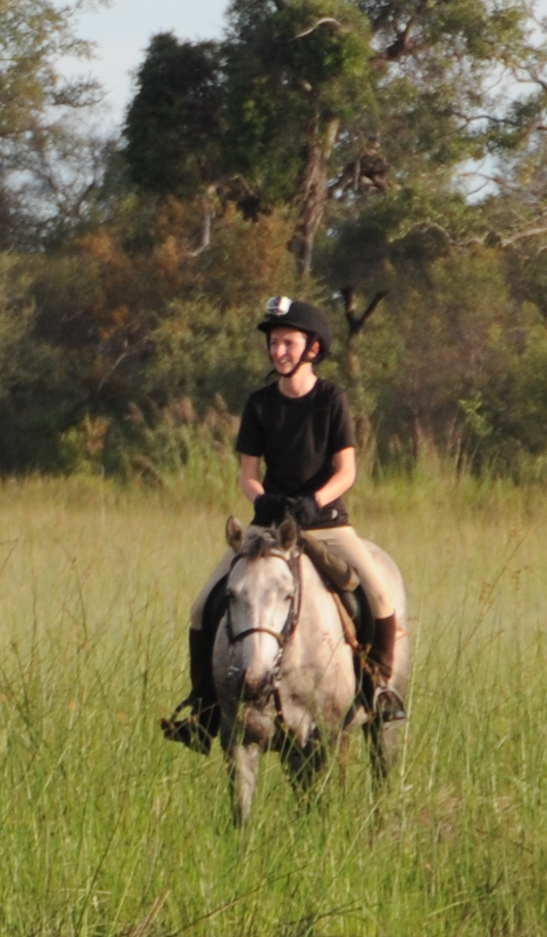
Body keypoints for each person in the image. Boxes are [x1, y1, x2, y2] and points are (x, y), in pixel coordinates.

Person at [166, 294, 409, 742]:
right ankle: (203, 710)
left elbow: (347, 471)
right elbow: (247, 475)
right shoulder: (259, 404)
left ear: (312, 348)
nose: (278, 351)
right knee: (203, 604)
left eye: (287, 343)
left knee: (378, 596)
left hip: (327, 522)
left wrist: (314, 502)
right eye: (274, 343)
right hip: (270, 524)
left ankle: (380, 691)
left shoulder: (331, 399)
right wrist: (262, 501)